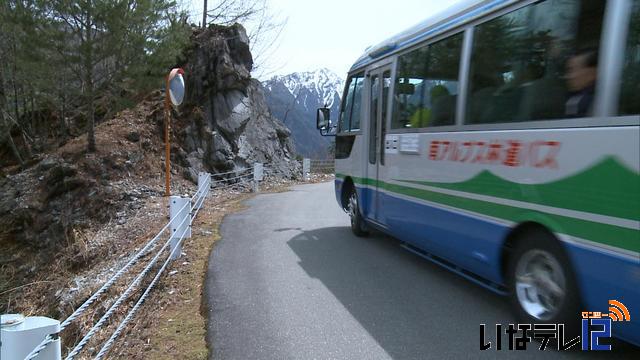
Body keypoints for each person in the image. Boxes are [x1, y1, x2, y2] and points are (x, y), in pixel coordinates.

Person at [565, 48, 598, 117]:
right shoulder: (575, 97)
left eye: (572, 70)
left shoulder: (581, 102)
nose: (568, 76)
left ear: (592, 73)